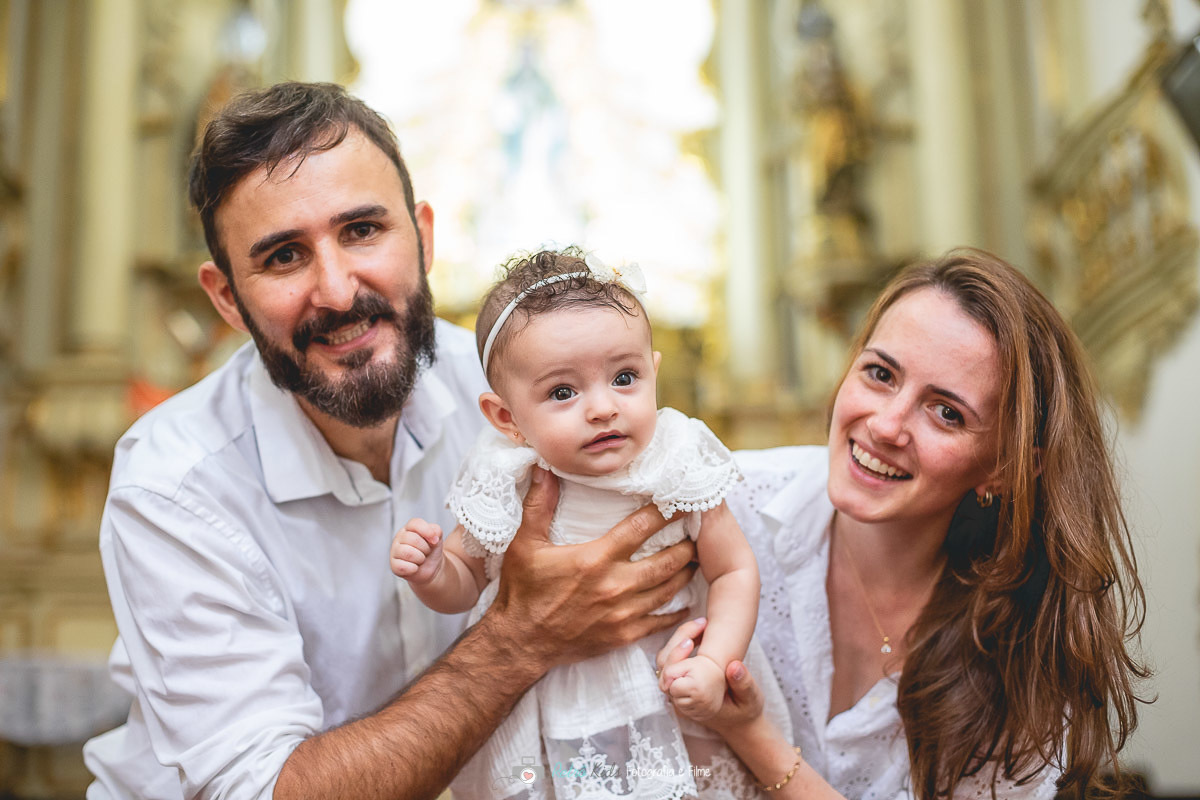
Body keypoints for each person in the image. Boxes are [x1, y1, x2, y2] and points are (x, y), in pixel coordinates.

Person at [82, 82, 697, 800]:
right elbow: (261, 791)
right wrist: (521, 639)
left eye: (362, 230)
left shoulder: (528, 402)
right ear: (226, 298)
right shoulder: (174, 485)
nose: (339, 292)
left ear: (424, 237)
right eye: (283, 257)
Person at [656, 249, 1149, 799]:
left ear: (1007, 469)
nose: (887, 425)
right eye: (880, 373)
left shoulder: (1023, 658)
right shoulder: (712, 507)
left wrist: (750, 734)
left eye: (947, 412)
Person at [391, 249, 790, 798]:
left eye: (624, 377)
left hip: (669, 679)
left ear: (654, 371)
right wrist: (434, 571)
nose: (602, 407)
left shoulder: (675, 460)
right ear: (506, 418)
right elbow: (468, 581)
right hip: (553, 700)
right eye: (562, 392)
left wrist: (716, 661)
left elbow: (734, 572)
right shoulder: (506, 475)